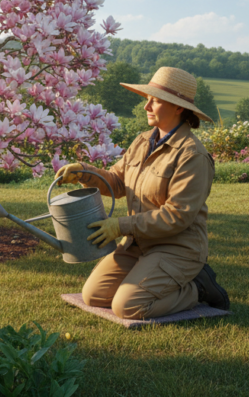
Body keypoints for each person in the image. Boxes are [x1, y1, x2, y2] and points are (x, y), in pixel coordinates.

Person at [54, 67, 229, 320]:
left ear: (178, 107)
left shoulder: (193, 155)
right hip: (137, 244)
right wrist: (83, 172)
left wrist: (120, 226)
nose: (146, 106)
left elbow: (177, 216)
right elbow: (115, 182)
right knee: (94, 296)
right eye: (147, 99)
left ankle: (198, 288)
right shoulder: (143, 141)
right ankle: (148, 274)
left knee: (128, 307)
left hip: (177, 248)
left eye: (155, 101)